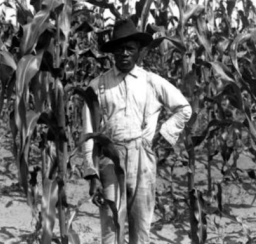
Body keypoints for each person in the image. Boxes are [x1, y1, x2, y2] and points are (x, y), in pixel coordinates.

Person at [82, 18, 192, 244]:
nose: (124, 53)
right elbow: (89, 130)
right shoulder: (97, 86)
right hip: (110, 160)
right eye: (119, 49)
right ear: (112, 52)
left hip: (143, 158)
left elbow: (184, 108)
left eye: (130, 49)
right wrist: (92, 173)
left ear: (138, 51)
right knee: (111, 230)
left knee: (140, 227)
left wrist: (164, 136)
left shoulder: (151, 81)